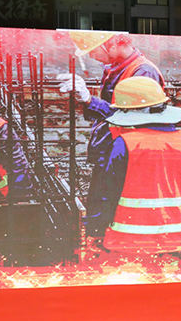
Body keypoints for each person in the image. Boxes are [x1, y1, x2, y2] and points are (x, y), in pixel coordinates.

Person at [56, 31, 166, 246]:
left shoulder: (143, 72)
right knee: (99, 202)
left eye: (93, 50)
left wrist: (90, 100)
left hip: (127, 153)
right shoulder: (116, 67)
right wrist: (86, 101)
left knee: (111, 204)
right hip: (112, 147)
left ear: (113, 43)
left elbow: (135, 117)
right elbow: (112, 109)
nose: (91, 55)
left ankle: (106, 244)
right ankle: (98, 239)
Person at [87, 76, 181, 256]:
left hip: (126, 243)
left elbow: (107, 193)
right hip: (180, 241)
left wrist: (95, 230)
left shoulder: (126, 144)